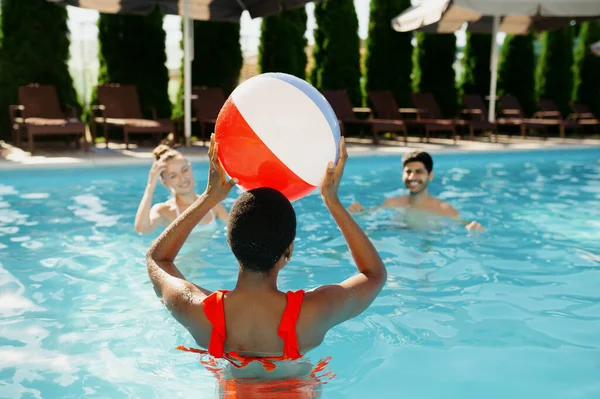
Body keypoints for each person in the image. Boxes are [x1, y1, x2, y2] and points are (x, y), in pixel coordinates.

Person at [146, 136, 386, 370]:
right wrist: (332, 201)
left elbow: (157, 259)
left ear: (231, 245)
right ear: (289, 250)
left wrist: (210, 197)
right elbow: (374, 275)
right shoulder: (314, 311)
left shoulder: (198, 311)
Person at [348, 151, 484, 231]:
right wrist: (359, 214)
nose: (412, 177)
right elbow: (368, 217)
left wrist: (474, 229)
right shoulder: (392, 203)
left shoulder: (444, 209)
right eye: (408, 172)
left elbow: (466, 226)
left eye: (418, 172)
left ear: (430, 176)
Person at [134, 144, 228, 234]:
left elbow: (233, 229)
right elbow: (142, 229)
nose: (182, 178)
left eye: (184, 170)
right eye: (173, 176)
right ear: (164, 182)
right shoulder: (164, 211)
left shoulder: (212, 205)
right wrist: (150, 185)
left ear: (190, 168)